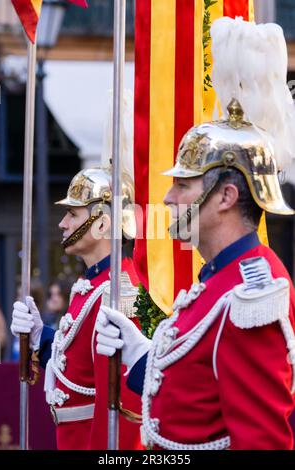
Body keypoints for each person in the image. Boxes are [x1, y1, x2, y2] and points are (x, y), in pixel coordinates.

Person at [95, 19, 295, 450]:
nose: (166, 198)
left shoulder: (251, 296)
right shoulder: (219, 280)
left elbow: (261, 441)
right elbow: (194, 392)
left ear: (225, 196)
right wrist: (139, 353)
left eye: (182, 185)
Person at [10, 167, 142, 450]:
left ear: (102, 224)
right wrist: (39, 336)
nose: (63, 223)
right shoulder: (91, 282)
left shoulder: (117, 291)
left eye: (73, 214)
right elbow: (77, 371)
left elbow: (119, 403)